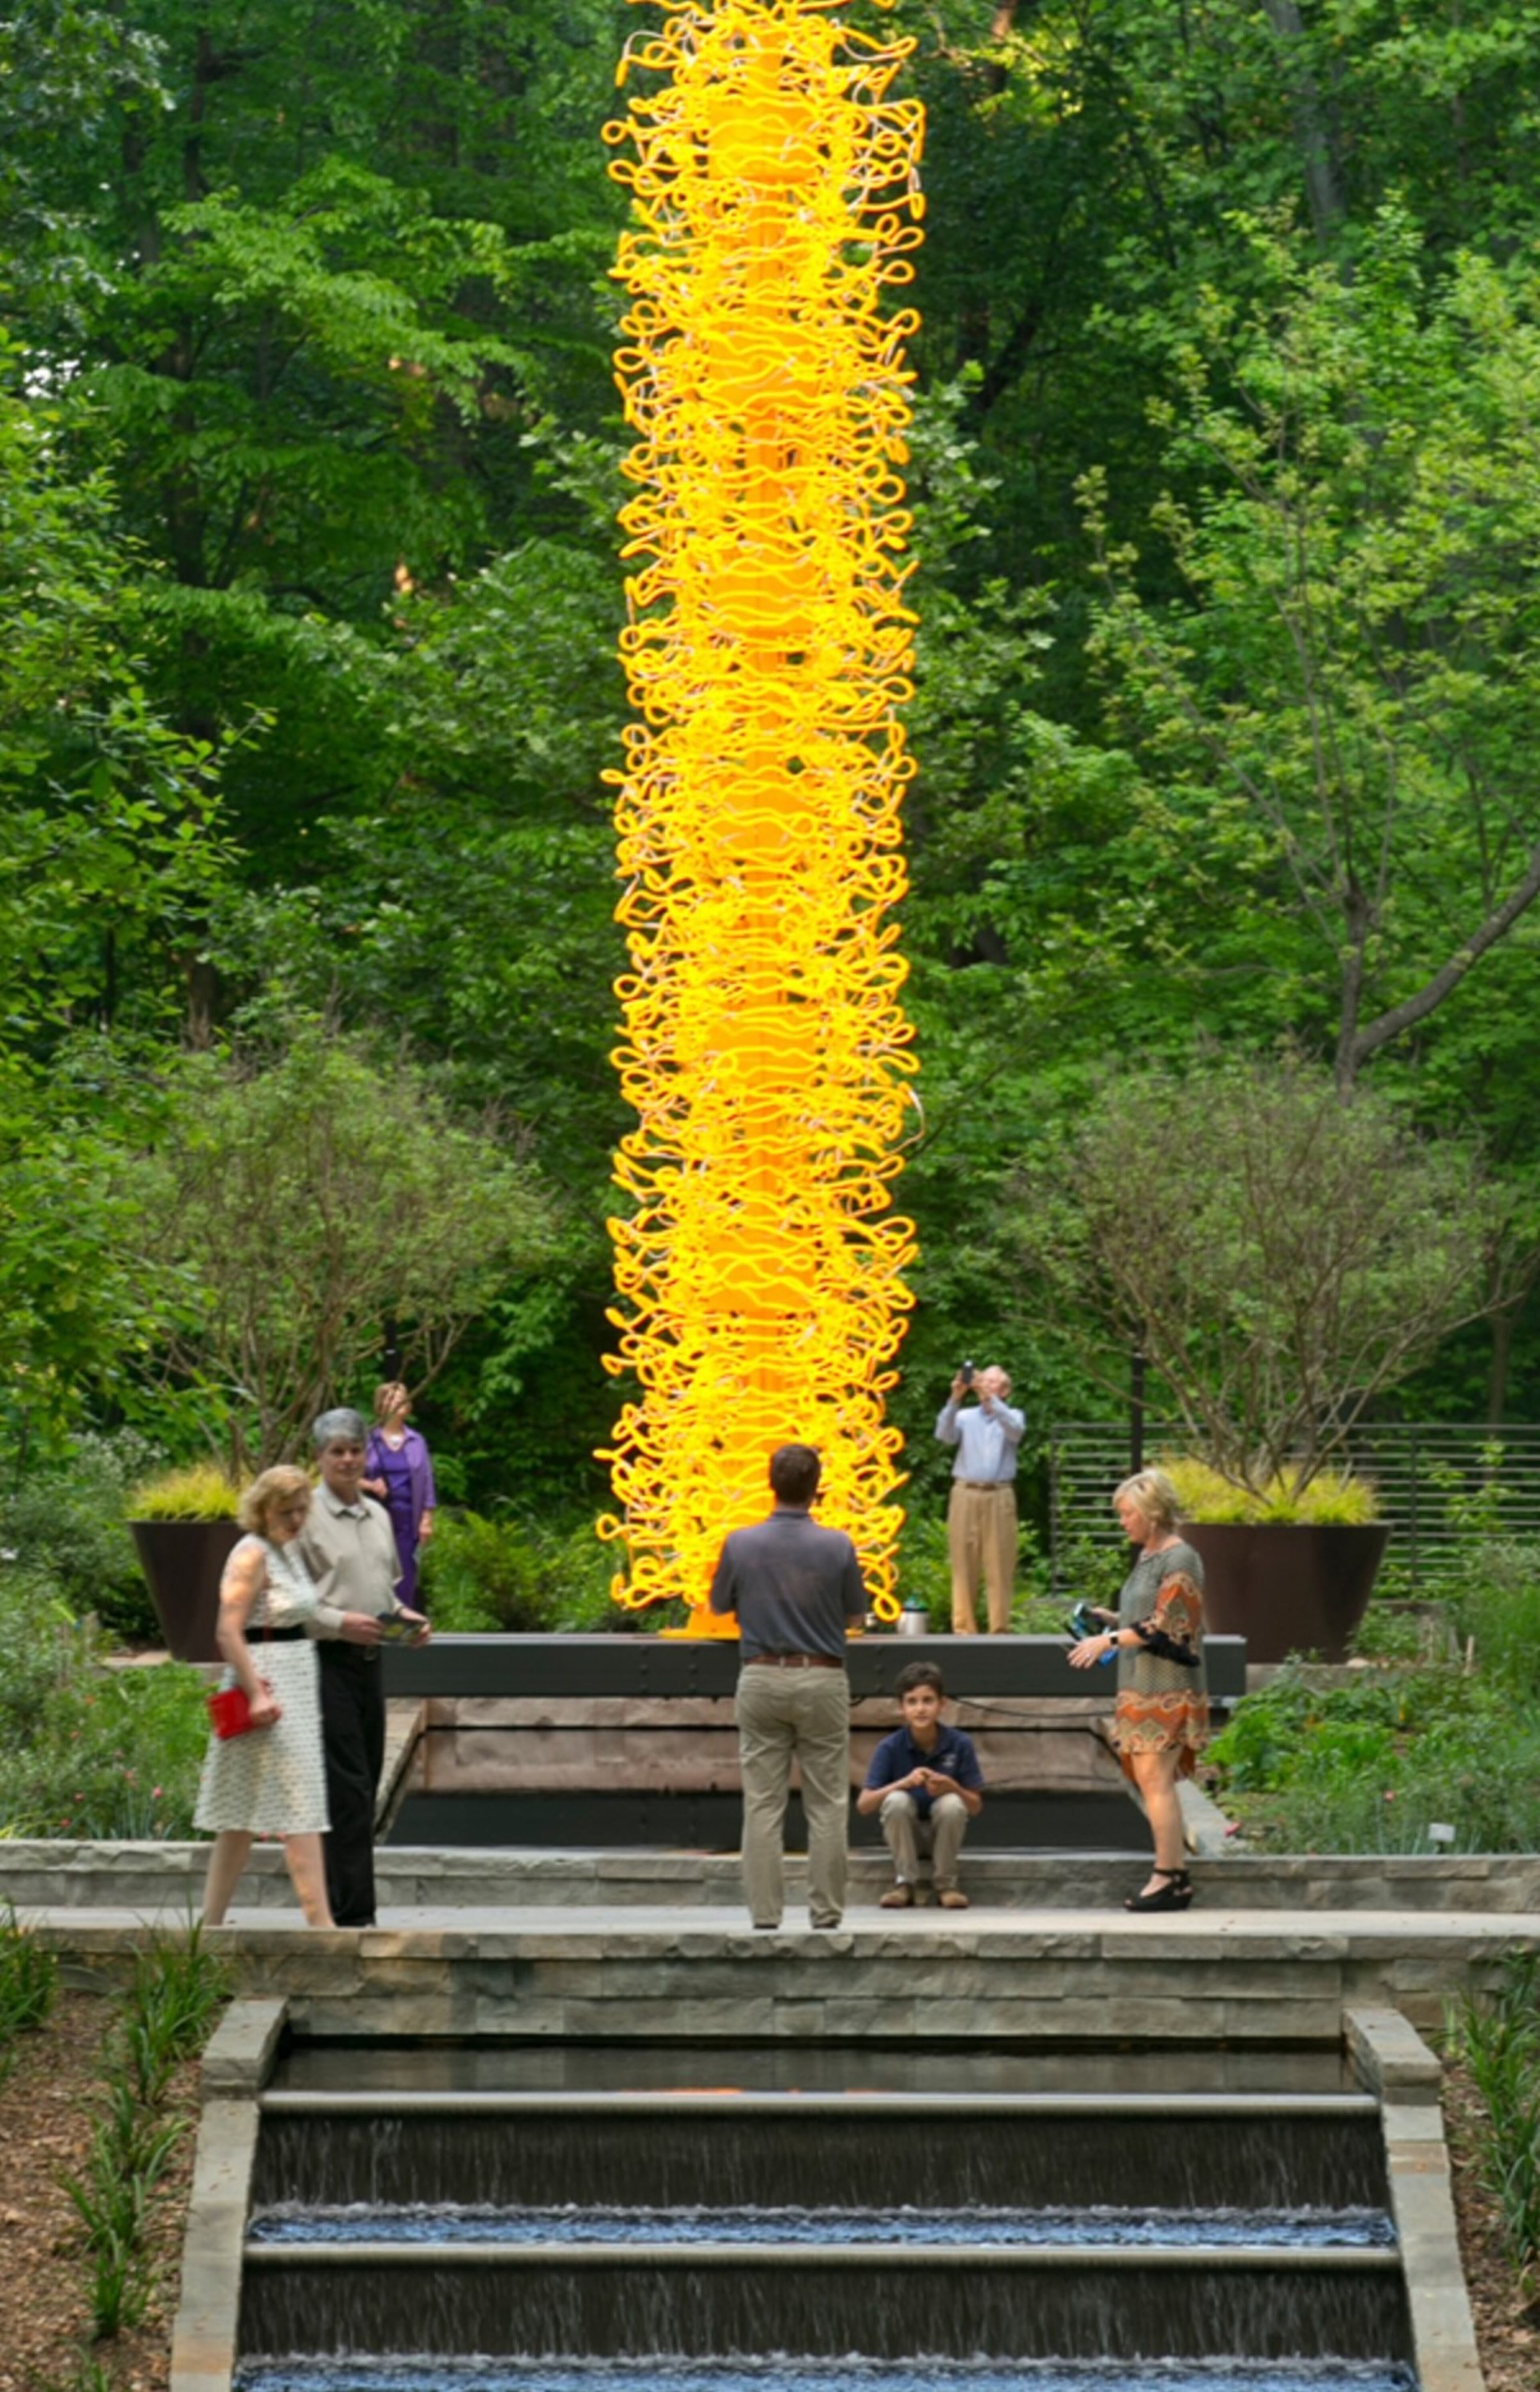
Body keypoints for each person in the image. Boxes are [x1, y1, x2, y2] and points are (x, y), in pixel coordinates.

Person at [709, 1443, 868, 1932]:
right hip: (822, 1677)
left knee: (762, 1802)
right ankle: (826, 1913)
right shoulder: (838, 1545)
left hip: (760, 1675)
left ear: (770, 1483)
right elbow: (856, 1615)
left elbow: (717, 1607)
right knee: (827, 1802)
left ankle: (764, 1914)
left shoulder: (740, 1544)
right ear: (817, 1487)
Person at [298, 1407, 429, 1929]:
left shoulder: (378, 1515)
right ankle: (356, 1917)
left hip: (371, 1664)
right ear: (320, 1458)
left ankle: (339, 1902)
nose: (348, 1460)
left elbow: (386, 1595)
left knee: (366, 1784)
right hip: (324, 1661)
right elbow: (289, 1601)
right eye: (337, 1452)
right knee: (349, 1788)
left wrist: (408, 1619)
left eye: (355, 1450)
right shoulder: (303, 1517)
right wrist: (337, 1623)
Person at [196, 1466, 333, 1928]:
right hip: (264, 1685)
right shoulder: (251, 1554)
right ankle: (323, 1928)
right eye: (286, 1511)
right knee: (300, 1801)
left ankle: (210, 1925)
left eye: (301, 1510)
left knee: (243, 1810)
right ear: (263, 1508)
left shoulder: (285, 1552)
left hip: (293, 1679)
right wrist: (255, 1694)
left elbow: (301, 1616)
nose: (296, 1520)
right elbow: (227, 1631)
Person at [1068, 1466, 1208, 1912]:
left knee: (1156, 1781)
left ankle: (1169, 1877)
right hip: (1138, 1686)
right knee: (1151, 1781)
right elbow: (1145, 1618)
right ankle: (1173, 1874)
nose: (1123, 1522)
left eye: (1128, 1514)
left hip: (1166, 1688)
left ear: (1151, 1512)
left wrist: (1104, 1641)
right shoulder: (1149, 1556)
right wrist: (1110, 1620)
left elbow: (1168, 1625)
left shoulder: (1180, 1558)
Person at [857, 1660, 985, 1910]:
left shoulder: (960, 1744)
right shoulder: (890, 1747)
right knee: (896, 1801)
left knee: (952, 1804)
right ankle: (905, 1883)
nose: (921, 1709)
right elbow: (864, 1805)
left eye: (928, 1701)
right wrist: (902, 1784)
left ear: (942, 1705)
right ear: (902, 1708)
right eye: (912, 1702)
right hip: (907, 1836)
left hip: (943, 1835)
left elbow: (976, 1807)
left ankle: (946, 1884)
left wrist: (953, 1787)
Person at [934, 1364, 1025, 1633]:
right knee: (963, 1563)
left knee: (1000, 1564)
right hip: (965, 1492)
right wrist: (955, 1398)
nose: (987, 1385)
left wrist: (992, 1401)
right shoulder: (964, 1416)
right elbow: (944, 1436)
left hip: (999, 1494)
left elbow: (1016, 1431)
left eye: (994, 1382)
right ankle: (964, 1630)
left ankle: (999, 1631)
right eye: (983, 1380)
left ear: (1005, 1390)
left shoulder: (1013, 1415)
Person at [362, 1381, 438, 1612]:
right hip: (374, 1520)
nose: (397, 1402)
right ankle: (376, 1627)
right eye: (391, 1398)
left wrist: (426, 1520)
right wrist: (372, 1485)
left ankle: (402, 1631)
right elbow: (348, 1478)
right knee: (376, 1574)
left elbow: (426, 1481)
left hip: (407, 1521)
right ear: (380, 1406)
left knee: (405, 1574)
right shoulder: (368, 1441)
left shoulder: (417, 1441)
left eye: (402, 1397)